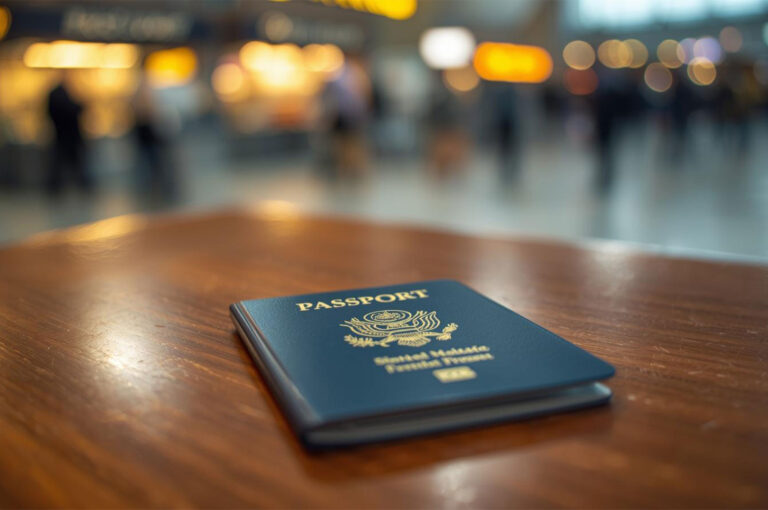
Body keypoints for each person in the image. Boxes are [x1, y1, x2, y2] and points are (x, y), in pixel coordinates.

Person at [46, 73, 91, 195]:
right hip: (66, 135)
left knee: (69, 163)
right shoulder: (62, 94)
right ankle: (80, 186)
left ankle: (80, 186)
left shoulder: (62, 93)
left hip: (63, 134)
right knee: (68, 163)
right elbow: (70, 110)